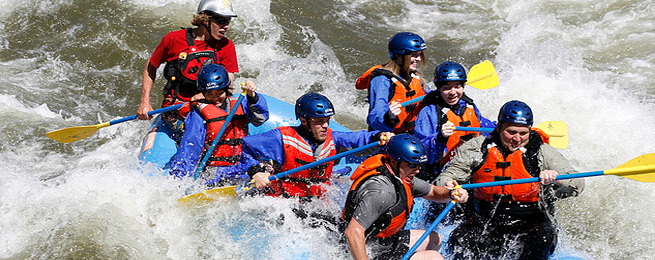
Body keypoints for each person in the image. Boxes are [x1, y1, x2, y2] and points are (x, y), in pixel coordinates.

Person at [436, 100, 585, 260]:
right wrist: (450, 186)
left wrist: (557, 180)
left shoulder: (542, 152)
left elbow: (578, 184)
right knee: (459, 240)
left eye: (523, 133)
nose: (517, 139)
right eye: (511, 132)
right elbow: (446, 177)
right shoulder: (477, 148)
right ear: (499, 127)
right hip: (487, 217)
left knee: (542, 239)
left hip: (532, 221)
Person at [243, 92, 394, 201]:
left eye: (327, 120)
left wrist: (378, 136)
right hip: (282, 201)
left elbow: (358, 138)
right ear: (304, 121)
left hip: (315, 202)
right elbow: (244, 149)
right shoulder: (280, 138)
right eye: (319, 121)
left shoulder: (334, 138)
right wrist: (255, 172)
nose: (325, 126)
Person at [341, 134, 469, 260]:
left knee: (434, 239)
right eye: (412, 165)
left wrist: (451, 193)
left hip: (380, 242)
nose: (418, 170)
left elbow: (433, 192)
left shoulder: (400, 177)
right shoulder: (380, 191)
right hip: (364, 249)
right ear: (393, 161)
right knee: (434, 258)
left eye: (419, 165)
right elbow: (353, 233)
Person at [137, 0, 240, 140]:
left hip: (211, 104)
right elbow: (151, 66)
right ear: (205, 20)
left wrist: (204, 98)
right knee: (197, 136)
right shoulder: (173, 39)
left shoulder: (226, 46)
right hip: (177, 107)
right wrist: (145, 102)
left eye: (228, 21)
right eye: (221, 21)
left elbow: (228, 86)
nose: (226, 26)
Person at [167, 64, 268, 179]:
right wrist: (179, 177)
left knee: (265, 170)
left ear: (226, 90)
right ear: (203, 93)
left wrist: (252, 96)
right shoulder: (199, 114)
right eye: (210, 94)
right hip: (215, 171)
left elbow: (261, 118)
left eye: (219, 93)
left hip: (243, 164)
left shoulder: (240, 103)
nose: (215, 98)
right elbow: (190, 145)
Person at [414, 61, 496, 181]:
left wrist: (506, 129)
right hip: (441, 171)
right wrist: (441, 137)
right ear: (439, 88)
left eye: (457, 87)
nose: (453, 92)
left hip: (470, 165)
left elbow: (484, 127)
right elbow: (424, 154)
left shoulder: (468, 105)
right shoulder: (429, 112)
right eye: (447, 88)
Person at [356, 32, 430, 133]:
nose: (419, 59)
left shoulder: (414, 76)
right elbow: (375, 117)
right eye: (413, 55)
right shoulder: (382, 80)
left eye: (419, 55)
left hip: (411, 134)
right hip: (387, 136)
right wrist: (389, 117)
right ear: (398, 56)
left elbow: (430, 97)